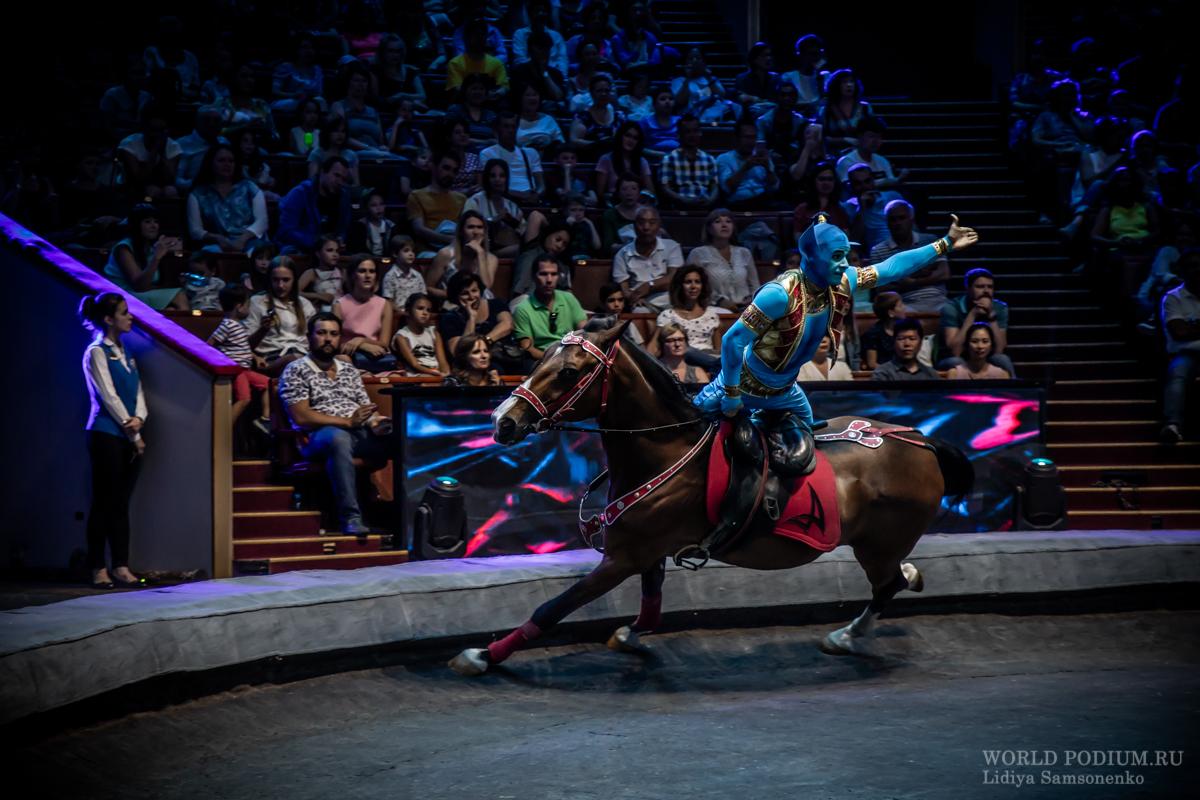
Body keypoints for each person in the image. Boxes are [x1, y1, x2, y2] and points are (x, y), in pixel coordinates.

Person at [696, 216, 978, 472]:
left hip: (785, 391)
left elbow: (890, 269)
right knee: (691, 435)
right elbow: (733, 340)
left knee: (808, 460)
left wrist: (945, 244)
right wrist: (731, 392)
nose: (844, 263)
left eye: (845, 256)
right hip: (741, 385)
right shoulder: (779, 295)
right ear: (812, 257)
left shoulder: (843, 281)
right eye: (836, 256)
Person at [279, 314, 392, 535]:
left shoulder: (348, 370)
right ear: (309, 338)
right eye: (321, 333)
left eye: (333, 334)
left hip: (357, 432)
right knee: (338, 438)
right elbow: (302, 416)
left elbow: (364, 408)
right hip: (317, 437)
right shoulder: (296, 369)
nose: (328, 339)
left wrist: (377, 422)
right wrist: (347, 421)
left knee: (404, 435)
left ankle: (403, 514)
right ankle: (350, 517)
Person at [79, 292, 148, 590]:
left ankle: (121, 565)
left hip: (129, 436)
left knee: (121, 504)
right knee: (104, 503)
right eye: (124, 312)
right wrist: (131, 429)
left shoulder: (126, 351)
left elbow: (139, 394)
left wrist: (140, 422)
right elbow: (108, 395)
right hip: (106, 434)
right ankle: (98, 567)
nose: (130, 316)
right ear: (108, 319)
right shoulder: (97, 351)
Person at [208, 284, 272, 436]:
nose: (250, 309)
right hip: (237, 370)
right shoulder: (228, 325)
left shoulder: (238, 326)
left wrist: (255, 357)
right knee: (244, 399)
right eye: (248, 305)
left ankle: (265, 419)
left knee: (270, 383)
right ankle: (223, 431)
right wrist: (222, 362)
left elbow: (243, 347)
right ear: (239, 307)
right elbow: (210, 344)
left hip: (246, 369)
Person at [104, 202, 189, 312]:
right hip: (124, 296)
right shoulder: (123, 248)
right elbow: (139, 286)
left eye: (156, 222)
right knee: (179, 296)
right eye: (148, 222)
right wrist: (156, 257)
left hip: (142, 293)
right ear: (136, 225)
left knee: (171, 309)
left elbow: (151, 284)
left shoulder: (149, 248)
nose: (154, 226)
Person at [186, 145, 269, 254]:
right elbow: (195, 230)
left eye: (231, 161)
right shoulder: (198, 194)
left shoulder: (250, 188)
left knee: (257, 254)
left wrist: (242, 240)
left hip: (250, 241)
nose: (227, 164)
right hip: (216, 244)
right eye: (221, 160)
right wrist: (218, 238)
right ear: (210, 163)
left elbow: (262, 222)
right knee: (210, 253)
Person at [870, 199, 949, 313]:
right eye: (892, 219)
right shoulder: (878, 251)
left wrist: (908, 280)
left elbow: (944, 273)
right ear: (887, 223)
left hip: (938, 300)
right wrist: (918, 272)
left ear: (911, 219)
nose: (897, 223)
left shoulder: (930, 241)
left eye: (902, 218)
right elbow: (881, 289)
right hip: (904, 304)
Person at [246, 256, 317, 374]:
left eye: (286, 280)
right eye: (276, 280)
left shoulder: (304, 304)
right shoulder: (257, 302)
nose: (280, 285)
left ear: (294, 280)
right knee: (294, 359)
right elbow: (247, 345)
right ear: (269, 279)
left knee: (343, 360)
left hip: (303, 355)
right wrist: (263, 330)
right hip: (272, 357)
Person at [939, 267, 1015, 377]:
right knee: (956, 362)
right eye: (980, 287)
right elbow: (955, 351)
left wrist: (991, 316)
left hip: (985, 356)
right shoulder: (951, 308)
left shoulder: (1000, 308)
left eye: (990, 287)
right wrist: (972, 315)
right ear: (968, 288)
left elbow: (999, 349)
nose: (986, 291)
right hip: (958, 357)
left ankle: (1013, 392)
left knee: (1002, 359)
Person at [513, 256, 587, 360]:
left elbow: (585, 331)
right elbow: (528, 349)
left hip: (571, 357)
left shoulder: (569, 299)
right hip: (541, 360)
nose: (549, 280)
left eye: (553, 274)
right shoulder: (522, 309)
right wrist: (556, 360)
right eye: (543, 274)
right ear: (533, 277)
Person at [652, 265, 723, 373]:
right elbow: (653, 349)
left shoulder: (712, 316)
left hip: (707, 361)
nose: (693, 286)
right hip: (680, 359)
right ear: (680, 286)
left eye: (697, 282)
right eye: (688, 282)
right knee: (687, 350)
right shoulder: (667, 315)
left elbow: (718, 351)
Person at [438, 271, 518, 367]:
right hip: (473, 365)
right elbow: (457, 351)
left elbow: (507, 325)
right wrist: (471, 317)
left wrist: (484, 342)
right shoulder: (450, 318)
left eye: (474, 291)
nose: (471, 296)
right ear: (456, 296)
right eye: (465, 293)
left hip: (505, 357)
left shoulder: (496, 304)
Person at [1160, 252, 1200, 443]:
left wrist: (1193, 325)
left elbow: (1186, 328)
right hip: (1187, 352)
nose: (1197, 270)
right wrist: (1187, 329)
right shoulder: (1172, 297)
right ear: (1183, 271)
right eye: (1192, 266)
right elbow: (1179, 332)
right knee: (1178, 374)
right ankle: (1173, 425)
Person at [612, 205, 683, 311]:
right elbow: (624, 289)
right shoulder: (622, 254)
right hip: (641, 302)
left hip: (670, 300)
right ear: (634, 226)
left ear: (659, 226)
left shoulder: (672, 247)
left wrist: (649, 285)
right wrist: (632, 298)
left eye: (652, 222)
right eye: (641, 222)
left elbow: (674, 278)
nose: (646, 227)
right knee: (639, 311)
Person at [687, 208, 760, 310]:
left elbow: (755, 285)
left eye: (728, 221)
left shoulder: (744, 253)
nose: (724, 225)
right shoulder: (698, 254)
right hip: (714, 308)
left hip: (746, 308)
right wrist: (718, 301)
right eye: (718, 221)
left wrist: (753, 299)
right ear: (709, 228)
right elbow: (692, 286)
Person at [277, 156, 353, 254]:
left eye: (343, 179)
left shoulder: (344, 197)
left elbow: (343, 229)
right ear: (322, 172)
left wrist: (340, 240)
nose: (340, 182)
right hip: (301, 247)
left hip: (329, 250)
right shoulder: (300, 193)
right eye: (336, 175)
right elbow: (285, 231)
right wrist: (316, 243)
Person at [334, 255, 396, 372]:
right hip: (349, 357)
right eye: (362, 271)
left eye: (371, 271)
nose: (367, 276)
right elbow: (336, 343)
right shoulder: (339, 305)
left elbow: (384, 344)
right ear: (353, 275)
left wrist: (361, 340)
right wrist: (362, 346)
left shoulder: (384, 304)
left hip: (376, 356)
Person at [427, 210, 499, 301]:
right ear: (461, 231)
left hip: (483, 302)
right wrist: (452, 295)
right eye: (470, 227)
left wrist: (480, 253)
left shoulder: (491, 259)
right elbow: (428, 287)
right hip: (453, 303)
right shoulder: (446, 254)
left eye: (480, 227)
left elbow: (485, 287)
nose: (476, 232)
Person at [407, 151, 468, 253]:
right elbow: (419, 229)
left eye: (455, 171)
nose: (450, 174)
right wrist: (449, 240)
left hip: (455, 250)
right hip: (428, 251)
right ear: (434, 167)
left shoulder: (461, 198)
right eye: (446, 168)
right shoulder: (416, 196)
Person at [465, 159, 527, 258]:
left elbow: (523, 232)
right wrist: (496, 220)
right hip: (480, 249)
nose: (497, 179)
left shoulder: (512, 206)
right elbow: (467, 230)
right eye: (492, 176)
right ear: (486, 179)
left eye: (502, 176)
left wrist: (515, 224)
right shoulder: (475, 201)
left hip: (510, 247)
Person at [117, 104, 181, 201]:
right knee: (151, 192)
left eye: (161, 130)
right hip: (132, 187)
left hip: (161, 186)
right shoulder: (129, 144)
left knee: (170, 191)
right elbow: (139, 179)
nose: (157, 135)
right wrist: (154, 150)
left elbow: (169, 178)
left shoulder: (173, 146)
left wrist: (162, 151)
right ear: (144, 127)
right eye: (153, 130)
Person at [479, 112, 545, 203]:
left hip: (531, 198)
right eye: (506, 126)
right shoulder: (487, 154)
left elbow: (541, 185)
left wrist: (536, 195)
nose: (511, 130)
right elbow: (487, 184)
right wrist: (520, 195)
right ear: (498, 129)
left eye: (513, 127)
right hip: (504, 199)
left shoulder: (531, 153)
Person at [660, 114, 719, 210]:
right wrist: (686, 200)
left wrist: (710, 201)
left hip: (705, 207)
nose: (692, 135)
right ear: (679, 134)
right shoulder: (669, 159)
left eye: (695, 131)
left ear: (700, 133)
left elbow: (714, 187)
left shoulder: (709, 159)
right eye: (687, 132)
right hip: (679, 209)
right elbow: (665, 189)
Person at [843, 163, 906, 252]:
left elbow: (911, 225)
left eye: (867, 181)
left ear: (873, 181)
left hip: (903, 245)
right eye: (858, 183)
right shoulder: (849, 206)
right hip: (878, 252)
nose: (864, 186)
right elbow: (855, 239)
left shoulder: (892, 196)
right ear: (851, 186)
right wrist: (862, 207)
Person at [717, 120, 780, 209]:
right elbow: (727, 189)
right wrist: (745, 167)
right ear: (736, 138)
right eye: (747, 137)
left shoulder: (762, 156)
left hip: (763, 200)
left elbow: (775, 187)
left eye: (753, 137)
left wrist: (767, 168)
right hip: (738, 203)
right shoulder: (724, 159)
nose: (751, 142)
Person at [835, 116, 906, 188]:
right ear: (860, 136)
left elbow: (892, 183)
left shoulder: (883, 161)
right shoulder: (847, 161)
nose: (875, 141)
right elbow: (848, 188)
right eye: (871, 136)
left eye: (879, 137)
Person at [672, 48, 736, 123]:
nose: (694, 61)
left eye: (698, 58)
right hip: (691, 121)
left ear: (703, 61)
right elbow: (679, 102)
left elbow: (721, 95)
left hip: (714, 121)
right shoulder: (678, 81)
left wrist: (708, 77)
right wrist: (688, 78)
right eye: (691, 58)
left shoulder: (710, 79)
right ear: (685, 62)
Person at [393, 293, 450, 377]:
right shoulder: (402, 336)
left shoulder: (433, 333)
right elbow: (414, 365)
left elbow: (442, 361)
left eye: (428, 310)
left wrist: (446, 373)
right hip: (416, 375)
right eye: (420, 308)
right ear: (408, 311)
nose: (425, 313)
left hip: (437, 373)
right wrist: (436, 374)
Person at [446, 19, 509, 95]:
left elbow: (504, 87)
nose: (477, 39)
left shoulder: (497, 63)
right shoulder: (455, 64)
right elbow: (457, 89)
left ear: (485, 38)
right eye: (474, 35)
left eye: (481, 35)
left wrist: (498, 93)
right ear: (466, 37)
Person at [569, 74, 624, 158]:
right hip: (591, 159)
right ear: (591, 93)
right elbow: (574, 141)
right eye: (599, 91)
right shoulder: (582, 117)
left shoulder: (619, 116)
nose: (603, 94)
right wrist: (598, 144)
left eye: (607, 91)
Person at [513, 220, 573, 297]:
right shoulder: (529, 257)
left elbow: (568, 293)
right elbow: (519, 293)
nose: (560, 246)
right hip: (528, 302)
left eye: (564, 244)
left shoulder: (563, 264)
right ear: (547, 235)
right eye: (557, 240)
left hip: (557, 305)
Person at [595, 120, 653, 199]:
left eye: (635, 138)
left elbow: (650, 192)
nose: (631, 140)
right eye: (627, 135)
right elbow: (600, 193)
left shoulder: (642, 162)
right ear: (620, 136)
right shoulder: (606, 159)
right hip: (614, 204)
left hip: (637, 205)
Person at [818, 69, 874, 150]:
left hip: (860, 154)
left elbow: (872, 134)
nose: (849, 85)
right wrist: (844, 140)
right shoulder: (826, 110)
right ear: (836, 86)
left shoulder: (865, 108)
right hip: (833, 155)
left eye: (852, 82)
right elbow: (821, 138)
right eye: (844, 82)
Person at [871, 318, 942, 381]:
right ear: (893, 342)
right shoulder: (883, 373)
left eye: (912, 339)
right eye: (901, 339)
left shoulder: (931, 374)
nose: (907, 344)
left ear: (920, 343)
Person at [271, 34, 326, 114]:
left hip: (311, 104)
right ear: (296, 49)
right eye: (304, 47)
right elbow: (274, 91)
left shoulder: (317, 69)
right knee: (300, 104)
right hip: (288, 102)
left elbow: (319, 92)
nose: (309, 51)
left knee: (320, 101)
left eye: (312, 48)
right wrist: (293, 95)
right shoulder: (286, 67)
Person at [793, 160, 851, 235]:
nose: (826, 183)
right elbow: (797, 237)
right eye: (822, 179)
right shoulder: (802, 210)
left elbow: (846, 237)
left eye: (830, 179)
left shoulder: (840, 210)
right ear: (813, 181)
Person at [445, 75, 500, 146]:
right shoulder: (455, 110)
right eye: (474, 89)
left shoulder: (491, 115)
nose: (478, 92)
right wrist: (485, 142)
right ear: (465, 91)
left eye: (481, 89)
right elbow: (451, 137)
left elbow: (498, 139)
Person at [307, 115, 362, 185]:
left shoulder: (351, 155)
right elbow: (311, 183)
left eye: (343, 131)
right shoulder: (317, 153)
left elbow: (356, 184)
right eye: (336, 131)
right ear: (327, 132)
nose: (340, 135)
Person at [780, 34, 827, 115]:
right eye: (810, 54)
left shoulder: (826, 77)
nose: (813, 58)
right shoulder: (788, 77)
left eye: (816, 54)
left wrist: (820, 78)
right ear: (801, 55)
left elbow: (826, 101)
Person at [946, 323, 1011, 380]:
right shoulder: (954, 374)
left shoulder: (1001, 375)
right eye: (974, 341)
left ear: (991, 346)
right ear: (967, 345)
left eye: (985, 341)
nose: (980, 346)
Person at [861, 291, 907, 370]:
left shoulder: (905, 330)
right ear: (891, 313)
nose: (904, 307)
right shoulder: (873, 334)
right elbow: (872, 364)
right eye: (900, 305)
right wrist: (895, 371)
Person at [381, 234, 425, 315]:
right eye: (406, 250)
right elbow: (388, 302)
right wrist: (403, 313)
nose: (411, 254)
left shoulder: (417, 275)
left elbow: (423, 297)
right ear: (395, 254)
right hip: (398, 315)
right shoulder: (390, 276)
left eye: (413, 251)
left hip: (416, 314)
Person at [515, 83, 566, 151]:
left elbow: (560, 143)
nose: (532, 98)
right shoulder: (514, 120)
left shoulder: (548, 120)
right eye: (528, 95)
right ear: (520, 99)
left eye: (535, 94)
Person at [601, 173, 643, 254]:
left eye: (633, 189)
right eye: (624, 189)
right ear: (618, 192)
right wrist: (630, 247)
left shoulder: (648, 213)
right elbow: (608, 246)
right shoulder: (610, 214)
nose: (629, 193)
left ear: (639, 193)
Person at [299, 235, 343, 312]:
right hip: (320, 313)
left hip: (340, 311)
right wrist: (318, 296)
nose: (335, 254)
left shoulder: (342, 272)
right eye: (330, 250)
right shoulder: (312, 273)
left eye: (337, 251)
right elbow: (294, 292)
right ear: (318, 254)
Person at [735, 42, 780, 117]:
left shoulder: (776, 78)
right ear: (754, 59)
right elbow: (741, 98)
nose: (769, 58)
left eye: (769, 55)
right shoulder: (742, 78)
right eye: (764, 55)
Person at [346, 191, 396, 258]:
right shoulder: (359, 226)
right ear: (367, 208)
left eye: (381, 204)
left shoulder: (391, 225)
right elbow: (357, 250)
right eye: (374, 205)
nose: (379, 208)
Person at [639, 84, 680, 156]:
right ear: (654, 104)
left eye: (671, 99)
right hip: (653, 159)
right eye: (662, 99)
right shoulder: (645, 122)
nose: (667, 101)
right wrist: (661, 155)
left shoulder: (680, 121)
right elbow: (639, 146)